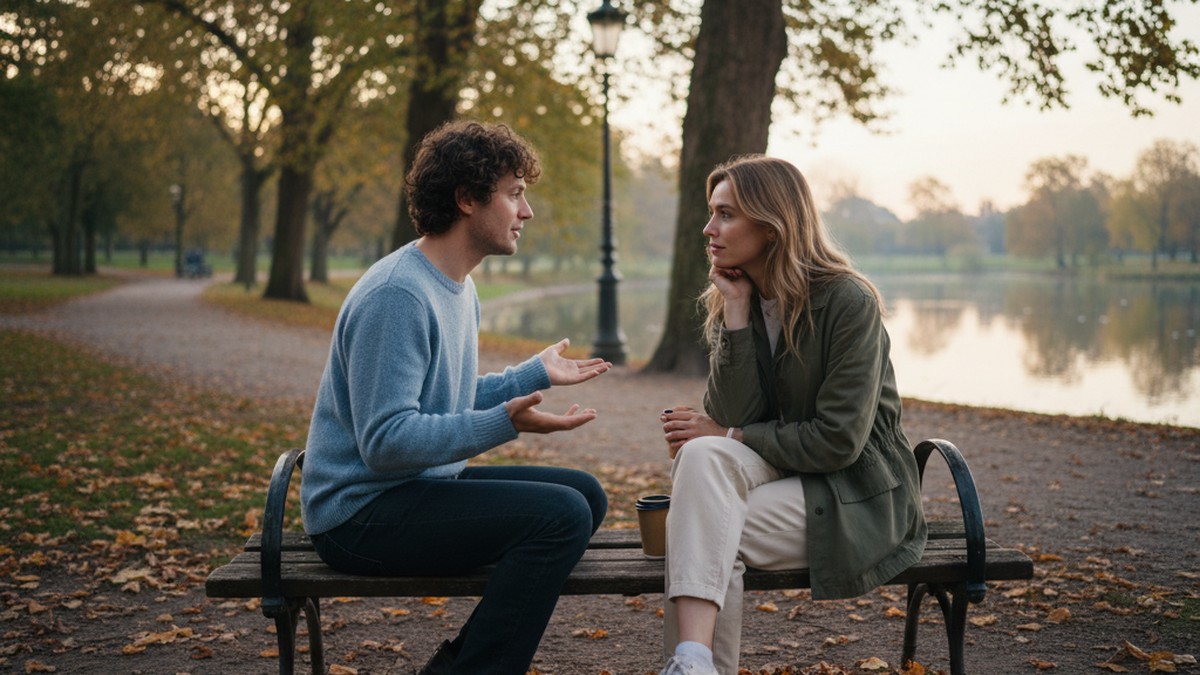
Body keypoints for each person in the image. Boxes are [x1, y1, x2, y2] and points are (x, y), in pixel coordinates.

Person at [300, 120, 612, 675]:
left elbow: (439, 396)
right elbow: (386, 442)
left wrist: (527, 377)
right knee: (559, 516)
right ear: (466, 199)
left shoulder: (456, 286)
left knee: (584, 496)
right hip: (358, 515)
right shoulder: (398, 294)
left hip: (415, 486)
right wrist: (503, 423)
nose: (527, 211)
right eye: (514, 194)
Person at [657, 155, 927, 675]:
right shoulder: (737, 297)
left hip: (852, 489)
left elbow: (837, 441)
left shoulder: (848, 302)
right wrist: (736, 313)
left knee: (705, 530)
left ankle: (688, 663)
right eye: (712, 213)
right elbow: (730, 420)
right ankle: (694, 663)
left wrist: (731, 432)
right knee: (702, 456)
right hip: (779, 473)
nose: (708, 228)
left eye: (726, 215)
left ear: (773, 223)